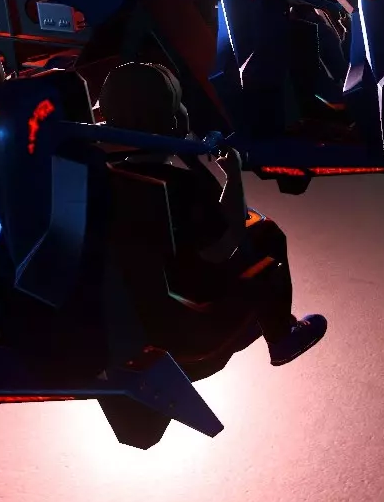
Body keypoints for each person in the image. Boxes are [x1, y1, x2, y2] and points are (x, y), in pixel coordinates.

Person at [95, 62, 327, 367]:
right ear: (172, 120)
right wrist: (233, 176)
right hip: (190, 325)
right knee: (267, 234)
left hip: (132, 317)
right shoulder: (181, 186)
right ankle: (281, 337)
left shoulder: (106, 177)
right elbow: (223, 247)